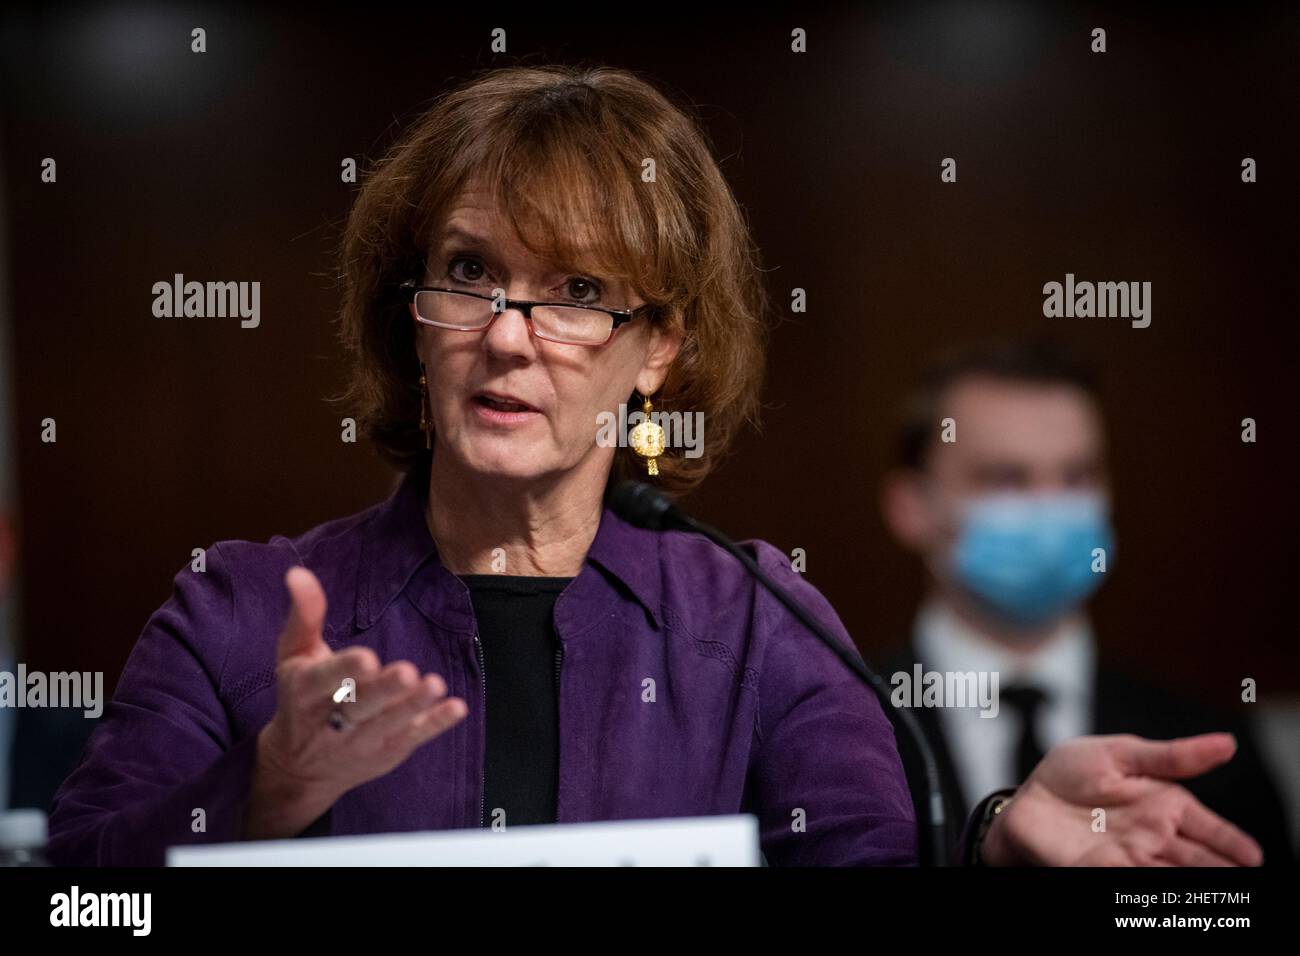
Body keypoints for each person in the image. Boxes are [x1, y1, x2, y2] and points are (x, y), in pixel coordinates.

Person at [45, 66, 1262, 867]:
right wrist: (265, 783)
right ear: (409, 313)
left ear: (656, 352)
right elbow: (74, 897)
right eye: (470, 271)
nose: (509, 332)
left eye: (578, 292)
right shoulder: (238, 610)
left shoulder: (753, 619)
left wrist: (995, 840)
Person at [879, 339, 1292, 864]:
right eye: (1006, 479)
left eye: (1078, 476)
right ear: (910, 507)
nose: (1050, 506)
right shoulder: (840, 728)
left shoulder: (1206, 744)